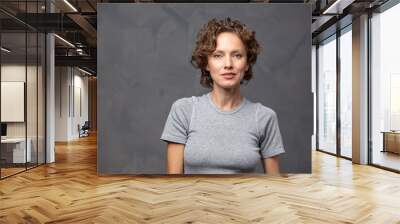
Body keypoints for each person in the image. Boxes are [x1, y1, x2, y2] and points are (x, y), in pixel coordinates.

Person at [160, 18, 285, 174]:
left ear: (247, 64)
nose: (228, 64)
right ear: (206, 63)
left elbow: (273, 186)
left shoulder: (264, 117)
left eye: (237, 55)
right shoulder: (184, 110)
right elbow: (174, 184)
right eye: (218, 55)